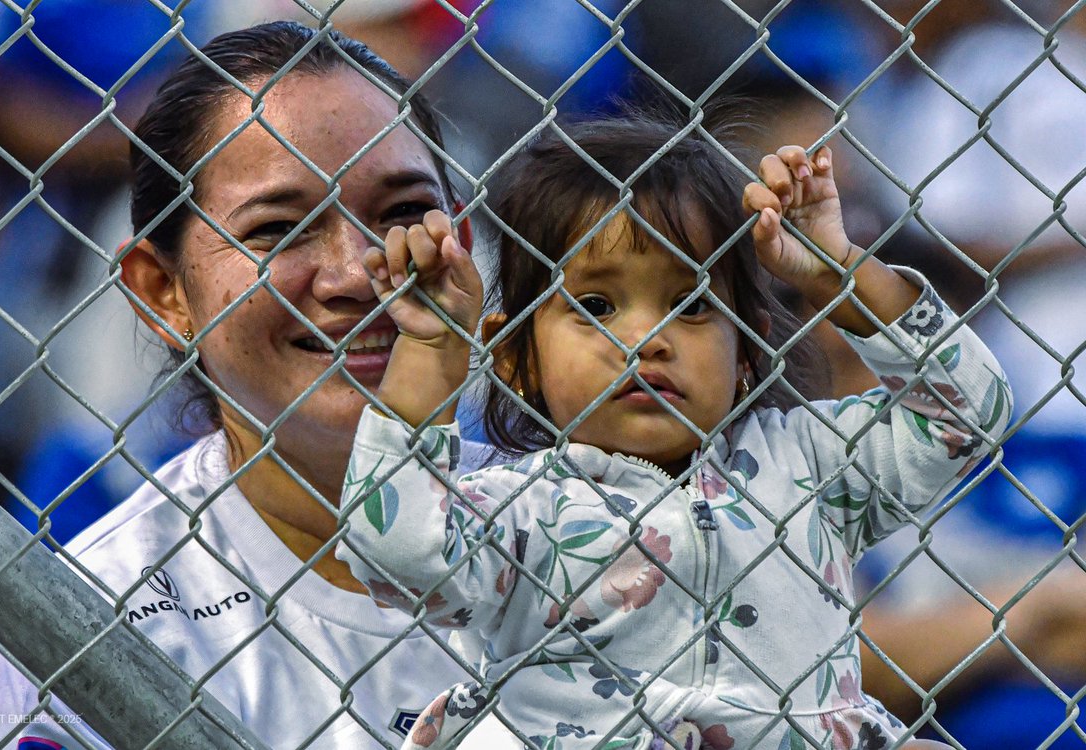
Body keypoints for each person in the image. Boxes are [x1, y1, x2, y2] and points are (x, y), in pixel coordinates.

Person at [334, 116, 1012, 748]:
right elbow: (400, 560)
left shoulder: (811, 464)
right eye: (596, 305)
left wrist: (840, 274)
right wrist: (428, 358)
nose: (645, 338)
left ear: (747, 351)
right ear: (514, 358)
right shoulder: (519, 508)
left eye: (689, 304)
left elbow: (965, 414)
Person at [0, 20, 492, 750]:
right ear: (164, 291)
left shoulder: (582, 531)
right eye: (280, 226)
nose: (353, 275)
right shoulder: (104, 611)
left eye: (403, 213)